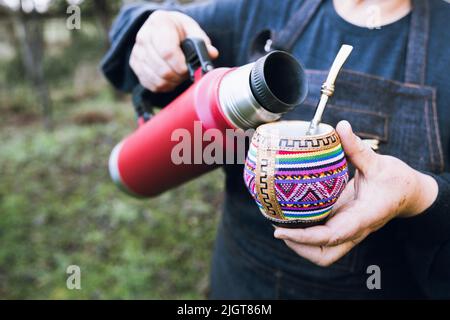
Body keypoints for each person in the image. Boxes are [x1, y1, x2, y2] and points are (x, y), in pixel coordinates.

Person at [101, 0, 450, 299]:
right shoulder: (261, 7)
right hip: (242, 284)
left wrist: (420, 194)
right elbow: (141, 25)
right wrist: (154, 25)